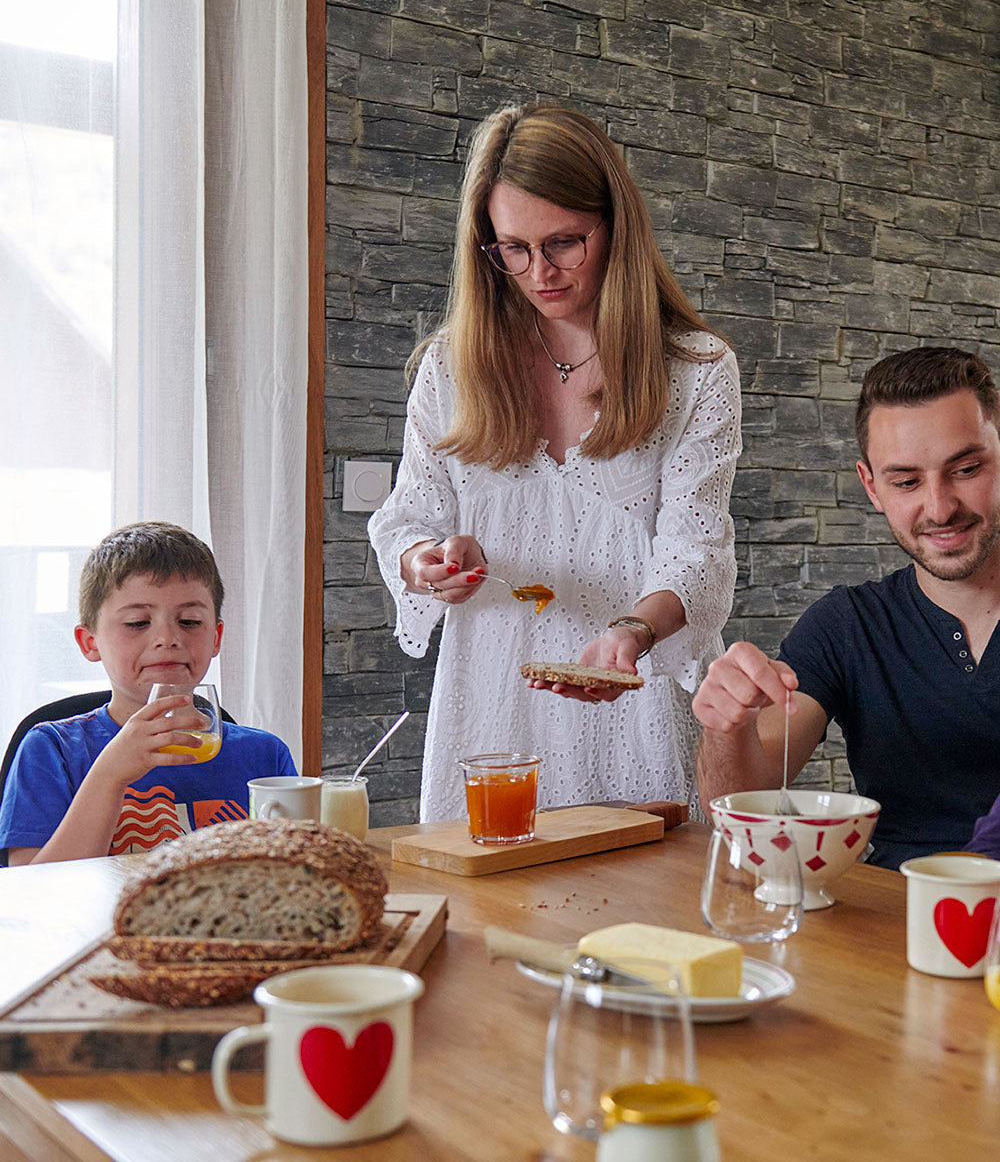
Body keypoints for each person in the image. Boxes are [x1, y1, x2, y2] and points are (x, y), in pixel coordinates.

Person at [369, 103, 741, 821]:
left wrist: (629, 635)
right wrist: (429, 561)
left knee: (641, 919)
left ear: (615, 228)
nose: (539, 272)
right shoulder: (452, 367)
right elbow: (409, 518)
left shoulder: (696, 371)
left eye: (564, 243)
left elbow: (696, 554)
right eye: (512, 248)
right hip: (491, 701)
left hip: (631, 700)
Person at [693, 346, 1000, 869]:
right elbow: (738, 807)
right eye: (906, 481)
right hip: (889, 919)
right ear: (871, 486)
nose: (940, 506)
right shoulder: (847, 627)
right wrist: (729, 727)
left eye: (966, 469)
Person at [0, 522, 296, 864]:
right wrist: (111, 773)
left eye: (189, 621)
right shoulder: (50, 750)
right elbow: (33, 895)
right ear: (90, 642)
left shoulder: (265, 756)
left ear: (216, 638)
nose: (167, 638)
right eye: (138, 623)